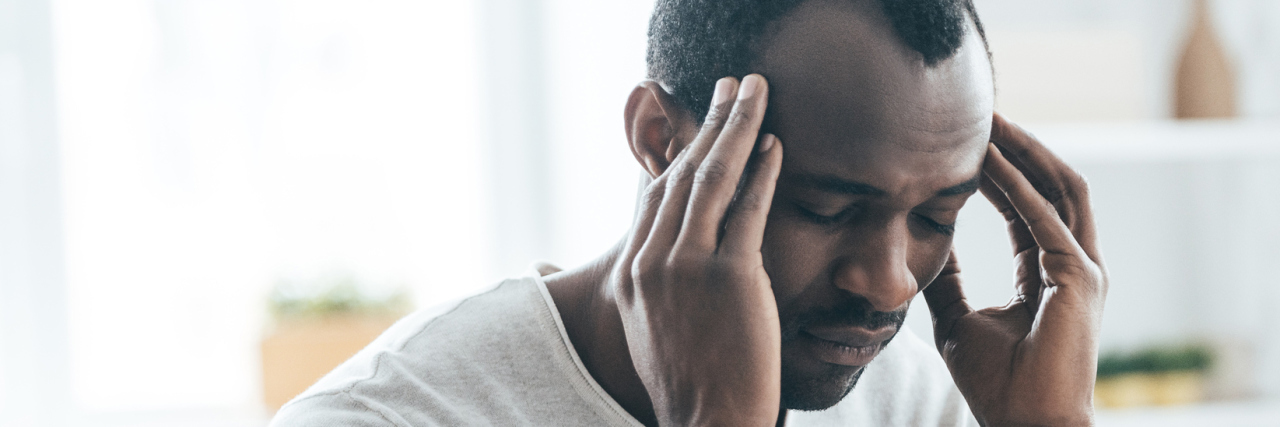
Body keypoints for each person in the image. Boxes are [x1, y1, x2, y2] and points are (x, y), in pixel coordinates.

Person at [271, 0, 1108, 425]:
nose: (888, 283)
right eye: (823, 206)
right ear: (660, 137)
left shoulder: (907, 400)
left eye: (936, 217)